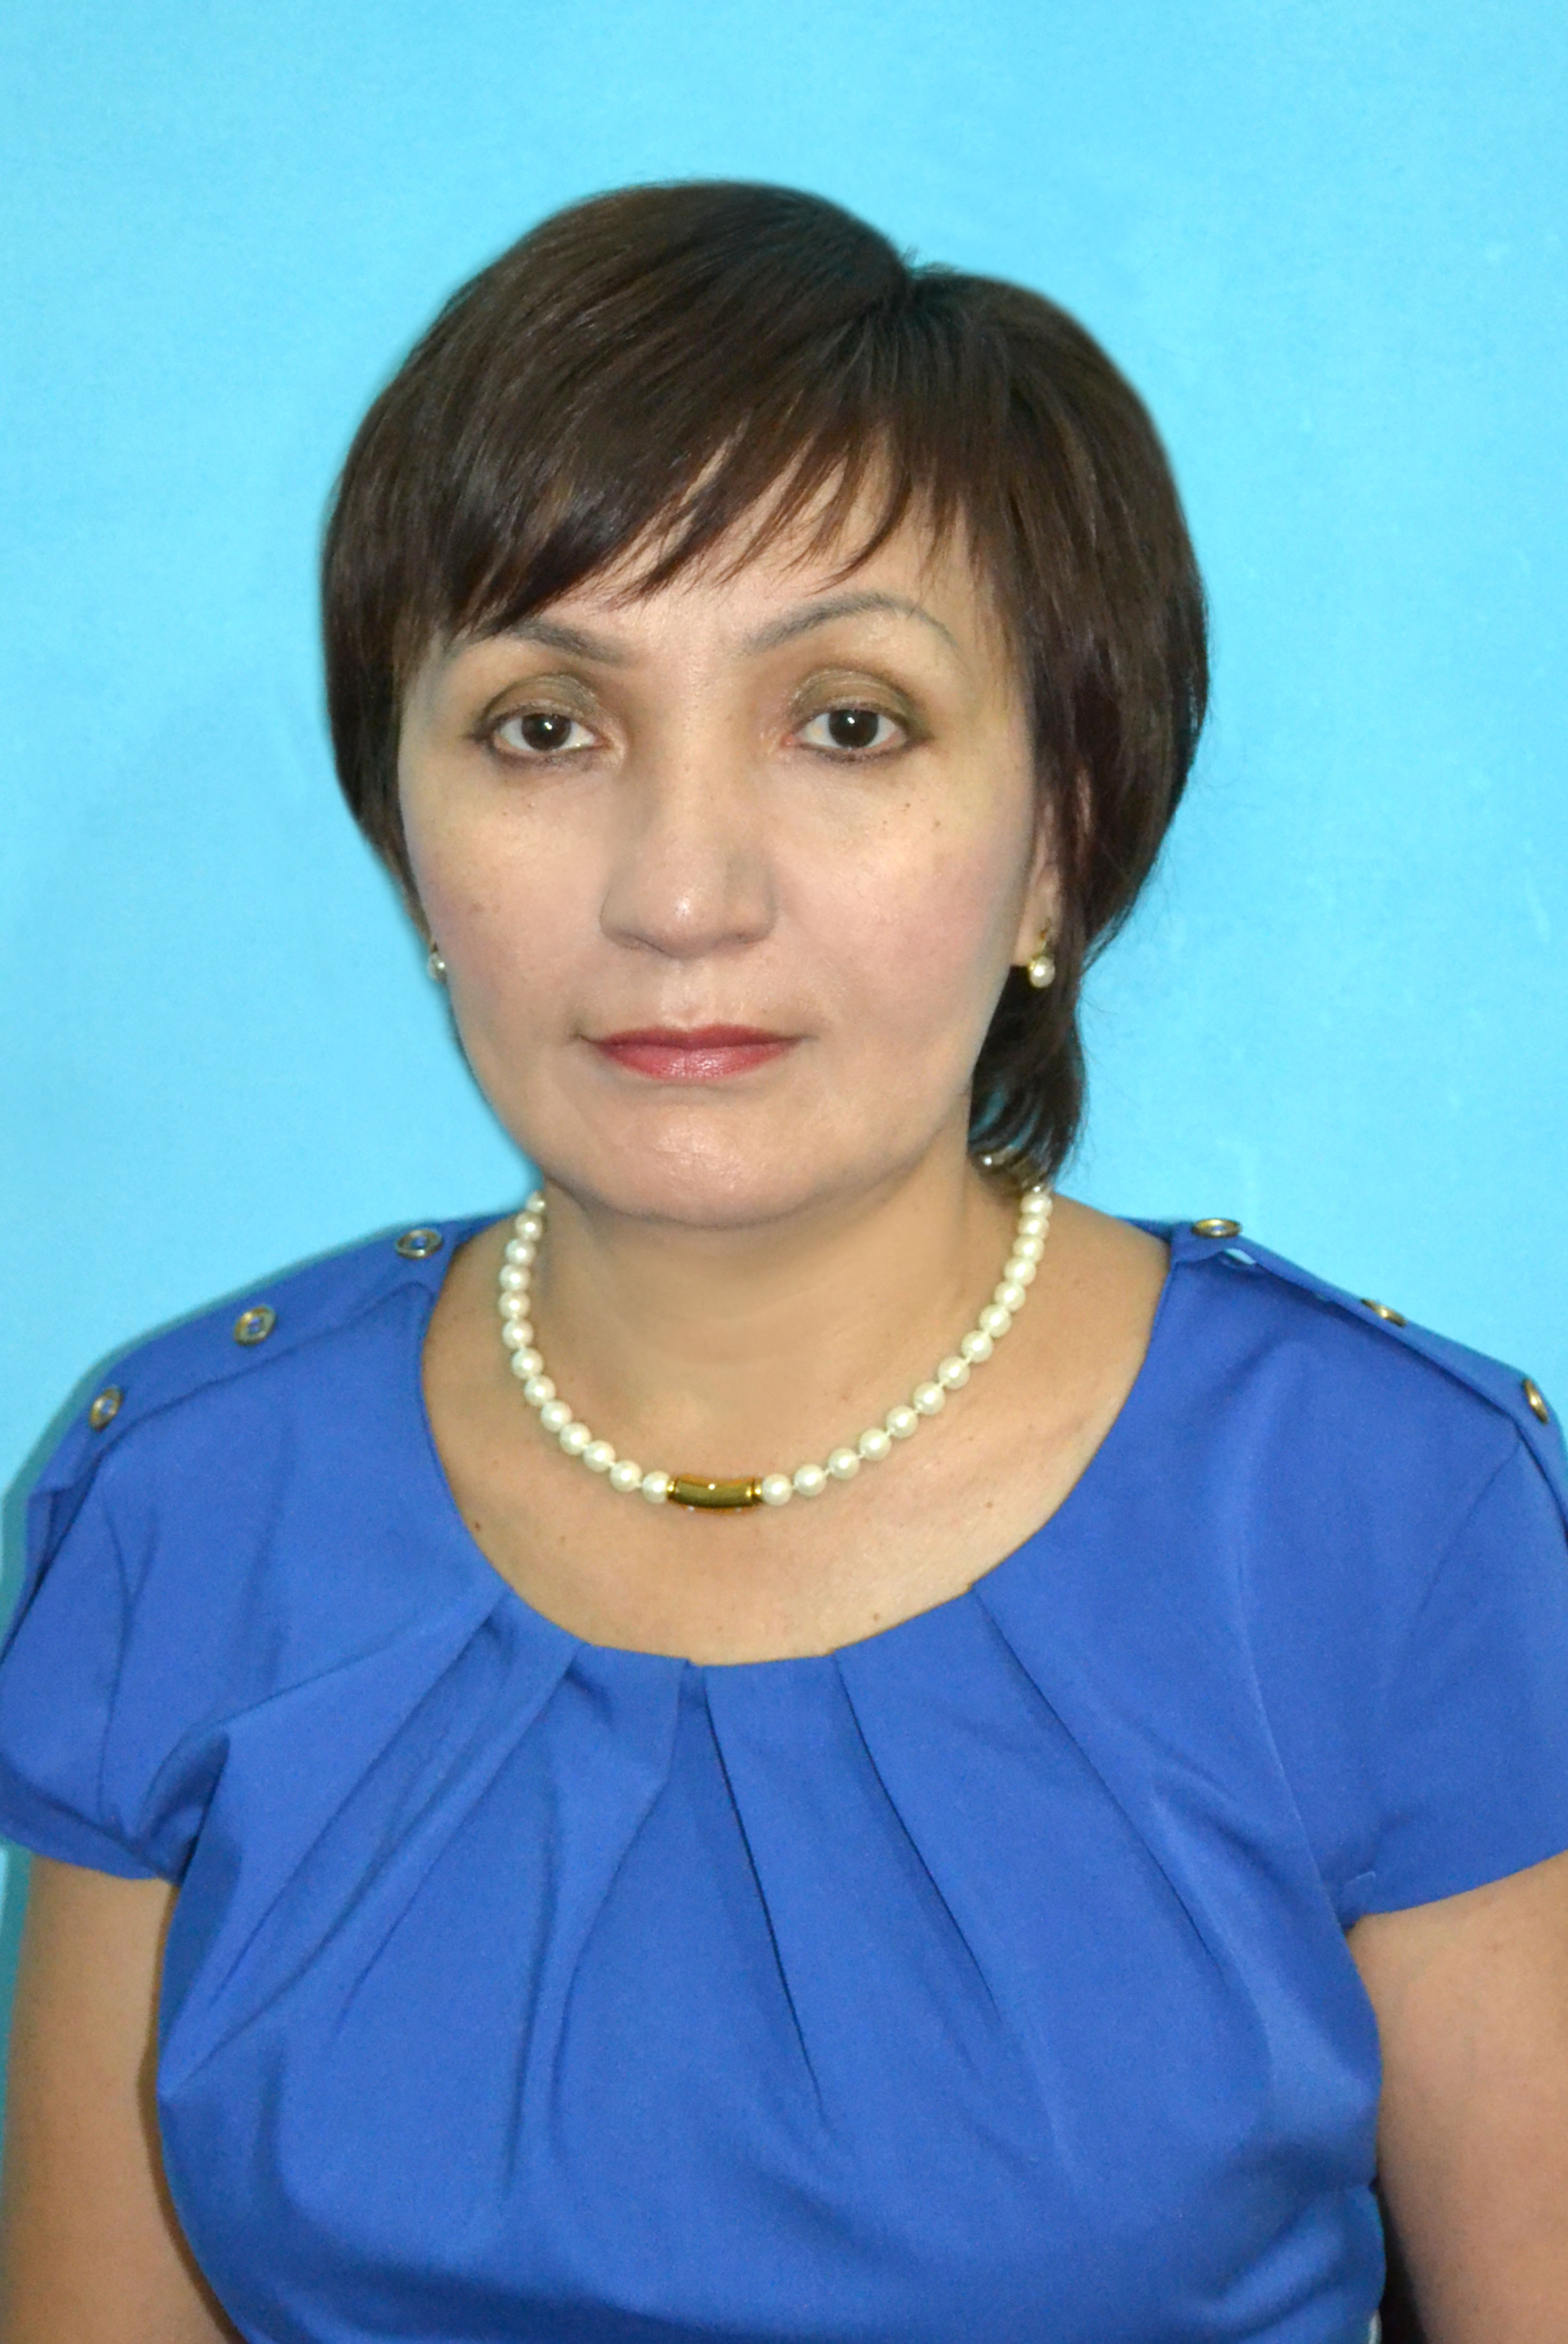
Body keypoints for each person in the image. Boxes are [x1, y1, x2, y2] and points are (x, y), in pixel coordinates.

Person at [1, 180, 1565, 2344]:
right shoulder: (183, 1493)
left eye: (848, 721)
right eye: (547, 725)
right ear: (406, 830)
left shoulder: (1387, 1518)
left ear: (1065, 832)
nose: (681, 891)